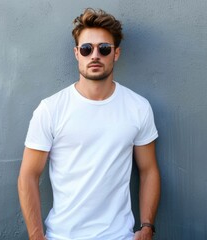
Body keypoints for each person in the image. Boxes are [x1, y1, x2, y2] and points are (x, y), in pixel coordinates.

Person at [18, 8, 160, 240]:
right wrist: (36, 236)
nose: (95, 55)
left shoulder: (138, 107)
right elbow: (28, 175)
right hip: (62, 236)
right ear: (77, 53)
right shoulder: (51, 109)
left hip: (119, 236)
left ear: (116, 54)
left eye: (104, 49)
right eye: (86, 49)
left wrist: (147, 227)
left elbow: (149, 170)